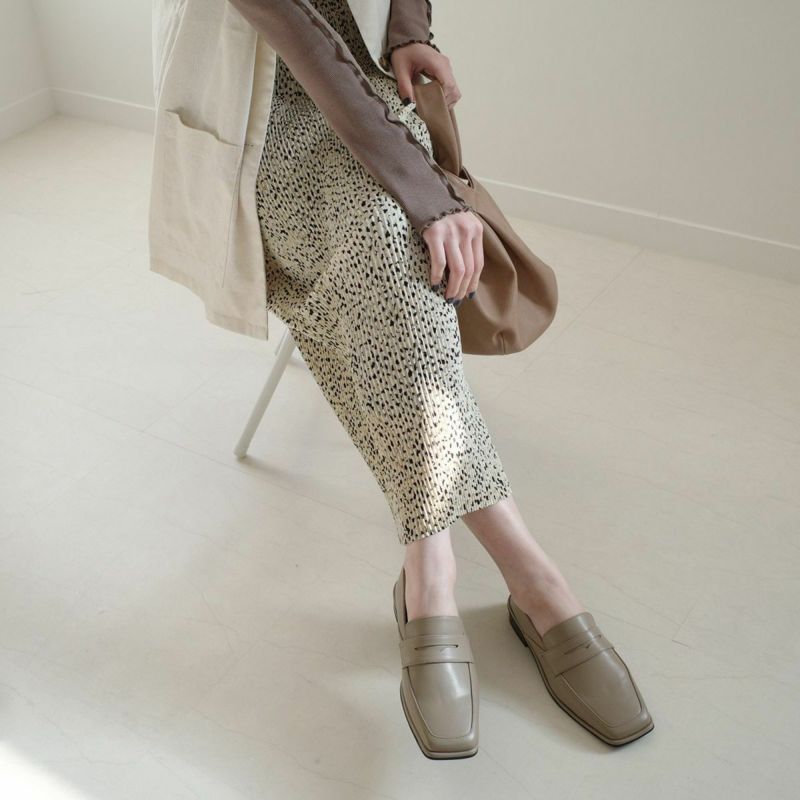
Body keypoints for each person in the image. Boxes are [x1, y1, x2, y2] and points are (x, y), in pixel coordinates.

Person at [226, 0, 653, 758]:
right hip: (267, 98)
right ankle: (526, 575)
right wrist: (426, 195)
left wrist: (408, 29)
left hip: (366, 78)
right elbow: (295, 30)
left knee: (398, 257)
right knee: (392, 243)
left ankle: (429, 575)